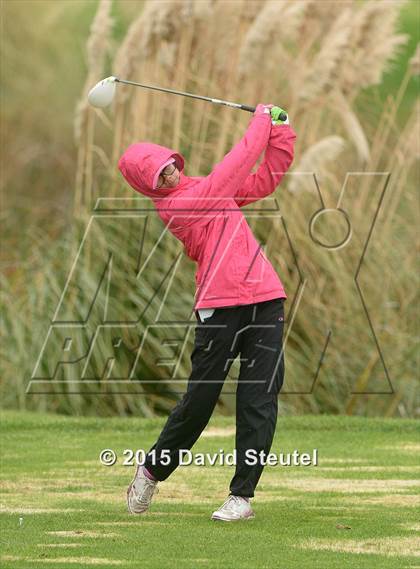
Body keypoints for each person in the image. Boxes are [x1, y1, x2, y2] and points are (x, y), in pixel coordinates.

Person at [118, 103, 297, 521]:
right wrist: (258, 121)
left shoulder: (203, 187)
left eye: (168, 166)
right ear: (149, 187)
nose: (169, 175)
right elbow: (232, 171)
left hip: (265, 297)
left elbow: (264, 181)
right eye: (158, 176)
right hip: (218, 306)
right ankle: (151, 470)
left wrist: (281, 132)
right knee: (201, 399)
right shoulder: (177, 208)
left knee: (258, 398)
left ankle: (241, 497)